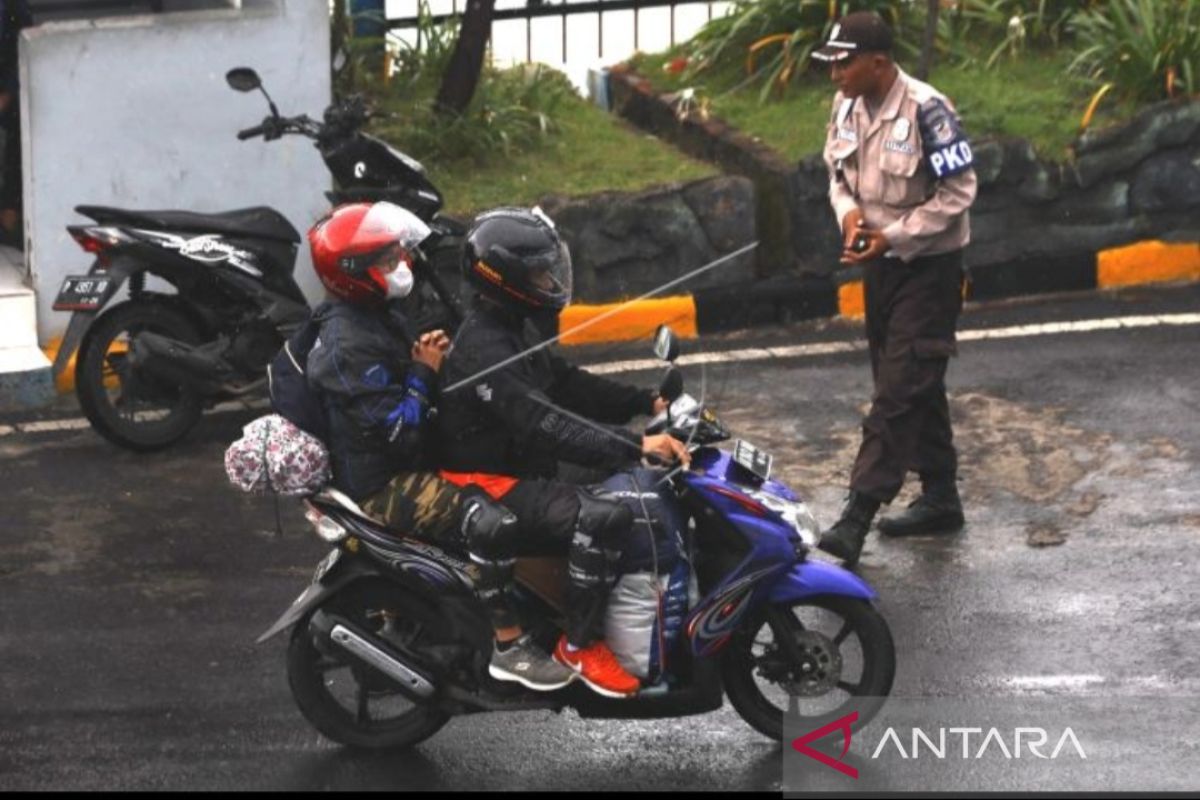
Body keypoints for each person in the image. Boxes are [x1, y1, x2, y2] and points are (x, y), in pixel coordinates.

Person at [304, 201, 575, 692]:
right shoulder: (347, 346)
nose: (400, 268)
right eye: (386, 262)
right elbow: (397, 433)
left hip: (403, 462)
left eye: (397, 256)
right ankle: (510, 646)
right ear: (351, 275)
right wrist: (423, 373)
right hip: (383, 484)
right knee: (490, 521)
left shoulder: (373, 314)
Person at [436, 206, 689, 698]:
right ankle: (577, 643)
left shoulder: (514, 326)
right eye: (537, 271)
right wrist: (635, 445)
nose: (549, 279)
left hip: (516, 461)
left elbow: (565, 384)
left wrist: (644, 402)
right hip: (486, 481)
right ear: (504, 276)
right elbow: (545, 424)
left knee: (621, 481)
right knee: (608, 516)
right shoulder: (485, 350)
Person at [812, 11, 978, 567]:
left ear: (877, 63)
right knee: (909, 377)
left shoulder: (929, 109)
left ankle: (856, 515)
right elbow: (836, 176)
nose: (834, 73)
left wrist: (895, 235)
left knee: (899, 388)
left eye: (844, 61)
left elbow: (959, 192)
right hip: (879, 266)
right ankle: (941, 495)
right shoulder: (846, 106)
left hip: (928, 267)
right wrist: (851, 217)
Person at [0, 0, 32, 248]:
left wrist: (7, 93)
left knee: (16, 152)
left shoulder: (12, 7)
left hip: (11, 95)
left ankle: (10, 216)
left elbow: (24, 42)